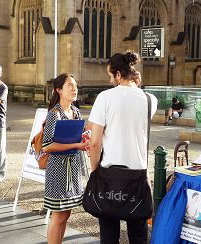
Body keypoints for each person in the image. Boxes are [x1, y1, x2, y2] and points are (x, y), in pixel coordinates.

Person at [88, 51, 157, 243]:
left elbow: (95, 142)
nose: (110, 80)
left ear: (118, 74)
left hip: (110, 174)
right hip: (139, 174)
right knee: (138, 236)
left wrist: (95, 172)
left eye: (111, 75)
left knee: (109, 235)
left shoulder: (105, 97)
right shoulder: (150, 100)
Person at [41, 73, 87, 244]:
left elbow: (79, 137)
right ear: (58, 90)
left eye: (75, 85)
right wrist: (76, 146)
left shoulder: (75, 111)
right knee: (58, 214)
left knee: (66, 214)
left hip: (73, 168)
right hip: (58, 169)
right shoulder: (55, 114)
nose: (74, 89)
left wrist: (85, 138)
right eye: (70, 85)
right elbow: (47, 146)